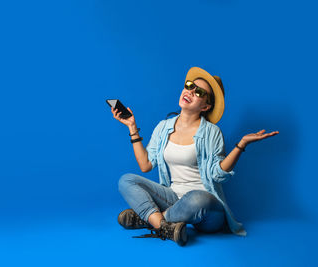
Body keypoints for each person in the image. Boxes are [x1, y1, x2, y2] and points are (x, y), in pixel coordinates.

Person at [111, 67, 279, 246]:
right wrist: (132, 127)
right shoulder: (163, 127)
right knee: (126, 180)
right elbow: (145, 165)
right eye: (189, 86)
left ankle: (149, 219)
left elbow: (217, 174)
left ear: (205, 106)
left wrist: (241, 145)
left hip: (206, 209)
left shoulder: (212, 132)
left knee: (197, 198)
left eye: (198, 92)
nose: (190, 91)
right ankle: (164, 226)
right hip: (173, 198)